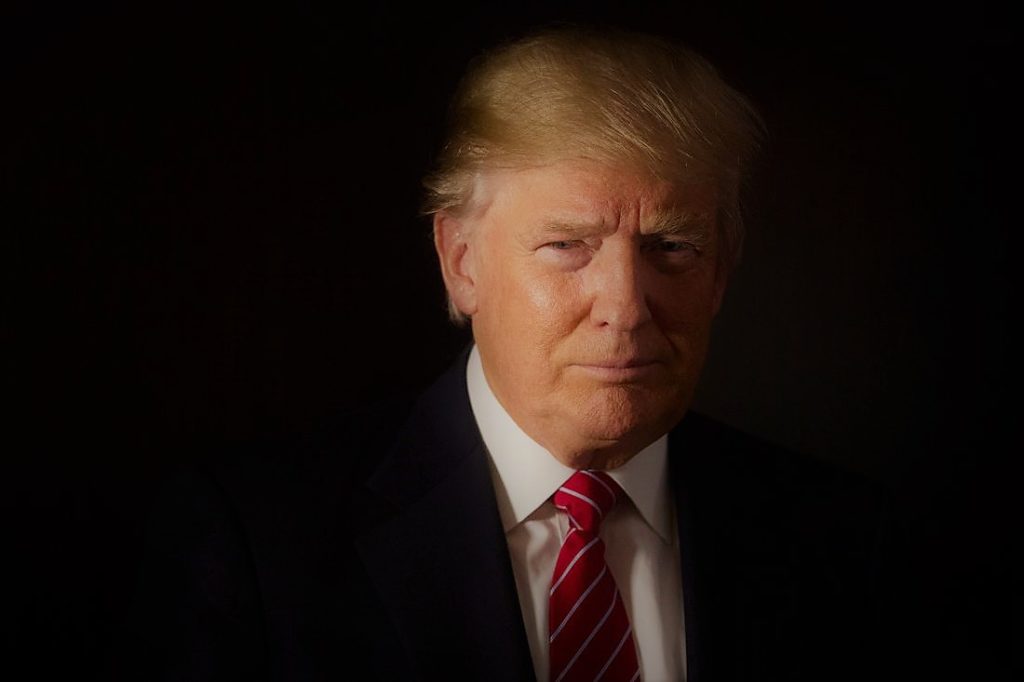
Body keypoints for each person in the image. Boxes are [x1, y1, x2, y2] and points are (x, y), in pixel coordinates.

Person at [115, 25, 913, 681]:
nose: (627, 308)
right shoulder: (254, 546)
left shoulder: (846, 543)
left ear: (723, 274)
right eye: (567, 245)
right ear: (462, 263)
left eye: (673, 245)